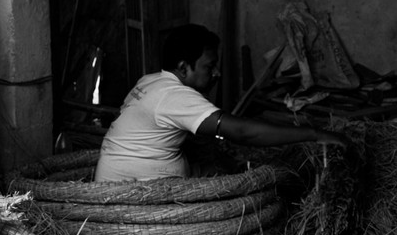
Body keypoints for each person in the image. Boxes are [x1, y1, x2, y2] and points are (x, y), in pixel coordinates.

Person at [94, 24, 350, 182]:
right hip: (134, 195)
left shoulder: (151, 81)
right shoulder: (174, 96)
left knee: (219, 168)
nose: (217, 73)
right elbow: (242, 132)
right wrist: (313, 134)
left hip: (119, 181)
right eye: (209, 66)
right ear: (183, 67)